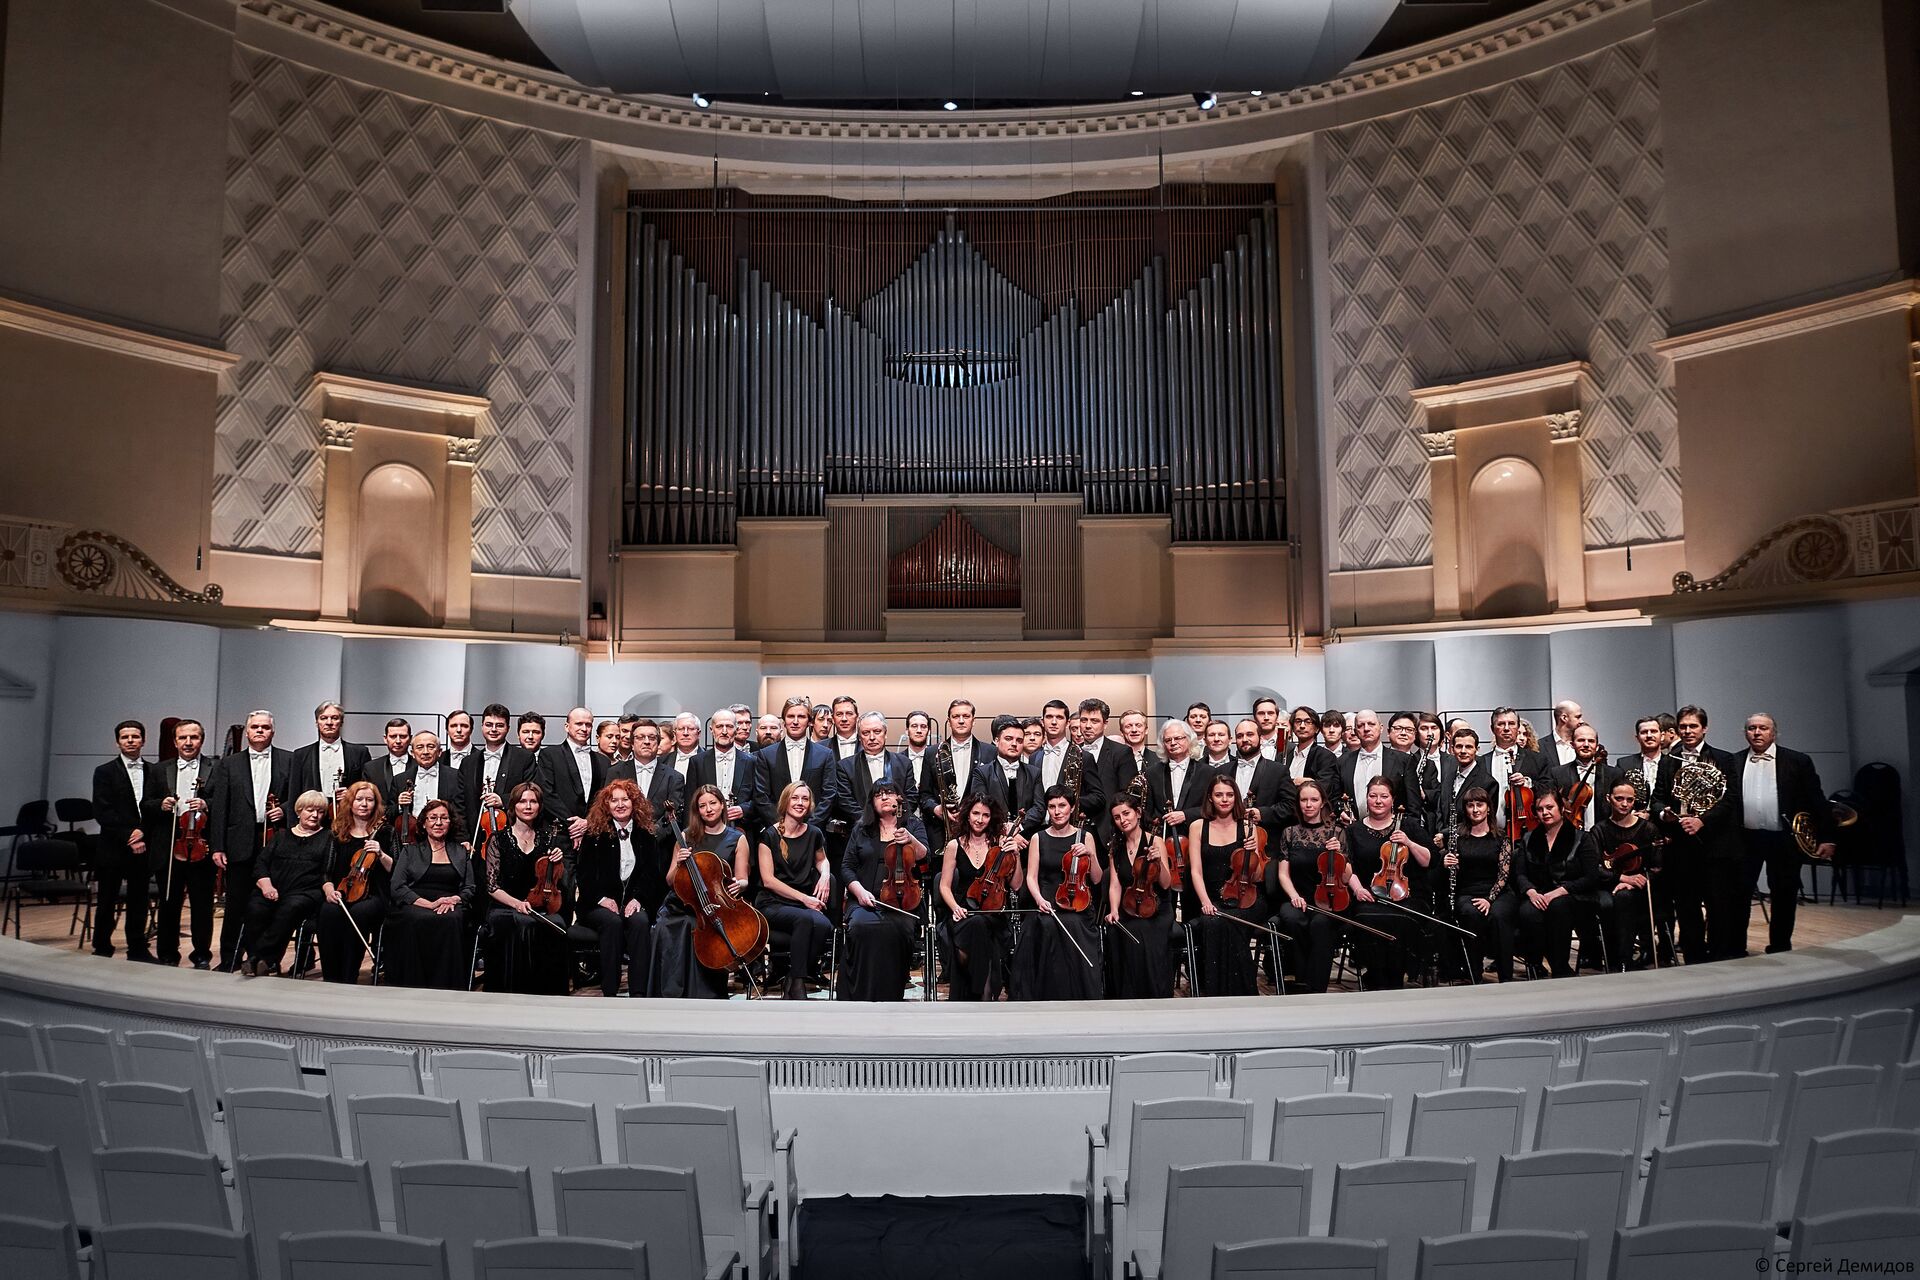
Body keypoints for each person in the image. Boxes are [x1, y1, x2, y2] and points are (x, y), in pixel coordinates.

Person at [1739, 712, 1834, 955]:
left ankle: (1780, 946)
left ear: (1774, 733)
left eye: (1763, 728)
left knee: (1784, 894)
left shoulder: (1798, 761)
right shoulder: (1735, 761)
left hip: (1783, 838)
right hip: (1745, 838)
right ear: (1745, 733)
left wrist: (1827, 838)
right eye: (1751, 728)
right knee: (1739, 893)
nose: (1757, 732)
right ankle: (1736, 947)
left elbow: (1817, 800)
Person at [1656, 705, 1744, 962]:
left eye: (1693, 726)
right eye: (1683, 726)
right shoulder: (1668, 760)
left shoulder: (1724, 759)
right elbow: (1658, 798)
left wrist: (1702, 821)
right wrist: (1664, 814)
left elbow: (1729, 800)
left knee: (1718, 904)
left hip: (1714, 844)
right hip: (1681, 845)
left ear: (1704, 728)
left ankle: (1718, 956)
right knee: (1686, 905)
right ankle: (1694, 958)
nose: (1687, 731)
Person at [210, 710, 292, 971]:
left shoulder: (289, 759)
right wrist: (218, 846)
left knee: (269, 903)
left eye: (265, 727)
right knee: (236, 904)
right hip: (239, 841)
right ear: (247, 732)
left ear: (273, 731)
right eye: (255, 727)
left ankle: (263, 959)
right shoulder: (229, 764)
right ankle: (229, 958)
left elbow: (298, 795)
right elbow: (220, 807)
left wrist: (284, 809)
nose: (259, 731)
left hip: (274, 839)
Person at [1337, 778, 1433, 990]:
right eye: (1373, 796)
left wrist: (1408, 842)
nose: (1378, 801)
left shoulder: (1408, 825)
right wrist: (1358, 889)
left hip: (1407, 895)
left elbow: (1428, 860)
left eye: (1384, 796)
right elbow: (1347, 864)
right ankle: (1375, 975)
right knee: (1365, 918)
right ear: (1366, 798)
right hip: (1369, 894)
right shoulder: (1354, 830)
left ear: (1393, 799)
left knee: (1402, 919)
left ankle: (1395, 977)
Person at [649, 783, 743, 998]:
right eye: (702, 806)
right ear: (697, 810)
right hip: (682, 903)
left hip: (714, 905)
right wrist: (679, 863)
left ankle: (703, 993)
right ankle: (670, 993)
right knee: (666, 926)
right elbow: (670, 880)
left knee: (700, 927)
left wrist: (741, 884)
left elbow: (742, 877)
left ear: (722, 805)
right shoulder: (685, 836)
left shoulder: (737, 838)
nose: (708, 809)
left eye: (713, 803)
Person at [483, 781, 574, 995]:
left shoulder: (547, 839)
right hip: (505, 907)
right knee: (525, 924)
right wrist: (516, 904)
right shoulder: (498, 839)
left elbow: (553, 881)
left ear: (539, 807)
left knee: (557, 923)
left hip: (537, 906)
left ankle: (549, 996)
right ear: (513, 805)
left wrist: (557, 861)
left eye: (533, 801)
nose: (528, 806)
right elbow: (491, 886)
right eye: (522, 801)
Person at [838, 781, 925, 1001]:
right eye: (878, 795)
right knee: (860, 927)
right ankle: (858, 993)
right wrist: (859, 892)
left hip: (903, 901)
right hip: (865, 899)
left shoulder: (913, 825)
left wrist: (911, 840)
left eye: (889, 793)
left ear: (899, 799)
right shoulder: (861, 829)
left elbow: (925, 857)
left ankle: (892, 993)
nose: (884, 797)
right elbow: (847, 867)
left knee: (900, 929)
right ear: (872, 803)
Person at [1016, 787, 1105, 1000]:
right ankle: (1046, 996)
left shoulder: (1085, 836)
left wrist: (1091, 855)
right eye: (1052, 806)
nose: (1057, 812)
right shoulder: (1038, 837)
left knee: (1074, 924)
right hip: (1046, 902)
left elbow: (1097, 878)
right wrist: (1039, 899)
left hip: (1078, 903)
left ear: (1072, 808)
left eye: (1062, 806)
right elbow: (1031, 877)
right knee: (1045, 926)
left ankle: (1076, 996)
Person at [576, 778, 657, 997]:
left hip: (632, 901)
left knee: (640, 922)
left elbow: (651, 875)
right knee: (612, 922)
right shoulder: (593, 834)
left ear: (634, 803)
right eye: (614, 800)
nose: (620, 804)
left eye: (625, 799)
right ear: (607, 805)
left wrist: (638, 899)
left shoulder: (646, 834)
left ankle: (639, 993)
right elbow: (584, 875)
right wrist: (602, 899)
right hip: (596, 903)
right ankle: (610, 992)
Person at [1186, 775, 1266, 996]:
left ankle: (1242, 993)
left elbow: (1258, 876)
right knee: (1212, 922)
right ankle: (1216, 992)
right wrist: (1205, 902)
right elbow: (1196, 871)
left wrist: (1252, 853)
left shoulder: (1248, 827)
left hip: (1245, 898)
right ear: (1210, 798)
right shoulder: (1197, 827)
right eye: (1219, 795)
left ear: (1236, 798)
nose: (1224, 799)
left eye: (1230, 795)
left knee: (1229, 922)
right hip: (1212, 898)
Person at [938, 794, 1020, 1001]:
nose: (980, 819)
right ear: (967, 815)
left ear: (992, 818)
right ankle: (984, 993)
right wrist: (955, 908)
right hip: (964, 911)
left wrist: (1016, 856)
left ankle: (976, 991)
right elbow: (944, 886)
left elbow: (1017, 884)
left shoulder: (1000, 844)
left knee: (981, 925)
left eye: (986, 815)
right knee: (977, 926)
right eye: (976, 813)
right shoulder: (954, 846)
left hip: (993, 912)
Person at [386, 798, 475, 989]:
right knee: (415, 919)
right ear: (424, 823)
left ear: (451, 823)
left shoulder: (461, 852)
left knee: (453, 919)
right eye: (433, 818)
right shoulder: (410, 851)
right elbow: (397, 887)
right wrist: (429, 904)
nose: (438, 823)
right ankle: (413, 984)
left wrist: (455, 899)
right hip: (415, 902)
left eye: (444, 818)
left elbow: (470, 887)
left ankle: (447, 986)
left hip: (450, 903)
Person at [755, 782, 832, 1000]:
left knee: (824, 925)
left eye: (805, 799)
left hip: (800, 903)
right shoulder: (769, 835)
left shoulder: (814, 833)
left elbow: (822, 860)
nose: (800, 803)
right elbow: (768, 880)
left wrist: (825, 875)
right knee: (805, 920)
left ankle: (791, 977)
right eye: (795, 798)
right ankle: (798, 984)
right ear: (785, 802)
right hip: (772, 902)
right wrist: (805, 899)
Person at [242, 791, 332, 976]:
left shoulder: (329, 837)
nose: (315, 815)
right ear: (299, 811)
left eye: (320, 811)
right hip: (273, 888)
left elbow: (327, 871)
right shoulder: (281, 836)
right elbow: (261, 864)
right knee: (255, 908)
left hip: (306, 892)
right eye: (310, 810)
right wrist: (267, 886)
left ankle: (259, 959)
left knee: (290, 908)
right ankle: (262, 960)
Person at [91, 719, 160, 962]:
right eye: (125, 737)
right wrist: (130, 835)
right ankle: (102, 947)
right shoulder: (104, 771)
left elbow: (154, 808)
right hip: (113, 846)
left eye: (135, 736)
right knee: (107, 900)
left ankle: (137, 948)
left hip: (144, 846)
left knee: (139, 900)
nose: (130, 740)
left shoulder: (155, 771)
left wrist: (143, 832)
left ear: (143, 740)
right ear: (117, 742)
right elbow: (103, 811)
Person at [1514, 789, 1601, 978]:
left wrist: (1560, 891)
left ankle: (1560, 967)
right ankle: (1535, 965)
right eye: (1540, 809)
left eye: (1549, 807)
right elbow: (1520, 874)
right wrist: (1531, 892)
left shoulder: (1582, 838)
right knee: (1528, 911)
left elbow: (1591, 876)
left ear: (1561, 808)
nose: (1545, 812)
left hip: (1574, 895)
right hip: (1540, 893)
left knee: (1558, 906)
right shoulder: (1529, 839)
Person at [152, 718, 216, 968]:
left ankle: (201, 955)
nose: (188, 742)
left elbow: (226, 801)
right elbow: (146, 803)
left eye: (194, 737)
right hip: (170, 845)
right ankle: (168, 954)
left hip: (202, 846)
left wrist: (207, 803)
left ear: (202, 740)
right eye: (183, 738)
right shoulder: (159, 769)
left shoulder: (216, 767)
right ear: (175, 741)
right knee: (169, 903)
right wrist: (160, 804)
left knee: (202, 905)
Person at [1270, 779, 1344, 994]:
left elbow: (1347, 875)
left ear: (1322, 803)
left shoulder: (1337, 832)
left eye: (1314, 800)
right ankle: (1301, 979)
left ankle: (1316, 986)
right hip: (1297, 897)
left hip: (1328, 897)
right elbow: (1283, 874)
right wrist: (1294, 896)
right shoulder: (1290, 832)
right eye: (1304, 800)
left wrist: (1338, 853)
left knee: (1320, 923)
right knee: (1293, 919)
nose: (1308, 805)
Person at [316, 780, 392, 983]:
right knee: (328, 912)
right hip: (342, 891)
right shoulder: (338, 832)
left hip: (375, 894)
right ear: (350, 802)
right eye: (359, 799)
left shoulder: (386, 832)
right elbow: (326, 872)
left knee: (359, 913)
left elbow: (397, 868)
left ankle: (349, 975)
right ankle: (331, 976)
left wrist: (381, 853)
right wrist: (329, 890)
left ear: (376, 804)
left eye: (369, 800)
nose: (364, 804)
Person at [1440, 787, 1517, 983]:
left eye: (1480, 805)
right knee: (1470, 914)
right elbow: (1455, 873)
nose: (1475, 810)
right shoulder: (1457, 837)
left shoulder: (1501, 838)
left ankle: (1505, 977)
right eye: (1470, 805)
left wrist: (1489, 899)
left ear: (1488, 808)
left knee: (1499, 916)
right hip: (1468, 892)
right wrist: (1447, 863)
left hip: (1498, 893)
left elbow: (1504, 875)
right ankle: (1474, 974)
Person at [1104, 791, 1175, 999]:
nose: (1122, 820)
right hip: (1129, 906)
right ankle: (1124, 997)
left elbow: (1166, 883)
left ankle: (1152, 996)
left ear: (1138, 812)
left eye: (1126, 813)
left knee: (1141, 931)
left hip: (1157, 908)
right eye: (1117, 817)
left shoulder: (1156, 841)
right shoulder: (1115, 848)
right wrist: (1114, 910)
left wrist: (1158, 862)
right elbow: (1115, 884)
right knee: (1116, 931)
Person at [1593, 779, 1661, 971]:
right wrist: (1622, 878)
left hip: (1642, 887)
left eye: (1630, 800)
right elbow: (1594, 867)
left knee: (1624, 897)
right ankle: (1615, 957)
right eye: (1619, 799)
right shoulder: (1599, 830)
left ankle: (1623, 960)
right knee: (1610, 901)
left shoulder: (1648, 829)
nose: (1625, 804)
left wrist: (1634, 882)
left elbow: (1657, 867)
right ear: (1609, 799)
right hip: (1608, 884)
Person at [536, 707, 608, 838]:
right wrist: (573, 824)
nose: (584, 728)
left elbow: (604, 799)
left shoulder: (603, 761)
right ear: (567, 727)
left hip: (592, 833)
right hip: (560, 833)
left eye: (588, 725)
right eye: (579, 724)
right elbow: (546, 793)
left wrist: (588, 823)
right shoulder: (550, 755)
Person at [461, 702, 537, 827]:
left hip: (511, 828)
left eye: (500, 725)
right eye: (489, 725)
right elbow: (461, 802)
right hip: (474, 831)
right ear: (482, 726)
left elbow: (531, 792)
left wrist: (503, 800)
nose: (493, 729)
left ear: (508, 728)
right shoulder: (468, 762)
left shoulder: (524, 758)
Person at [289, 701, 369, 802]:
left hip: (347, 809)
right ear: (317, 723)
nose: (329, 722)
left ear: (342, 722)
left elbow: (368, 788)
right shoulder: (300, 755)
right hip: (313, 810)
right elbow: (294, 793)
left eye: (335, 718)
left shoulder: (360, 753)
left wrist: (352, 794)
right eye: (323, 718)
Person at [1547, 723, 1621, 829]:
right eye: (1581, 740)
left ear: (1597, 747)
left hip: (1605, 834)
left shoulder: (1614, 774)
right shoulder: (1558, 773)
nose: (1586, 744)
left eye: (1591, 741)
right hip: (1571, 834)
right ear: (1572, 744)